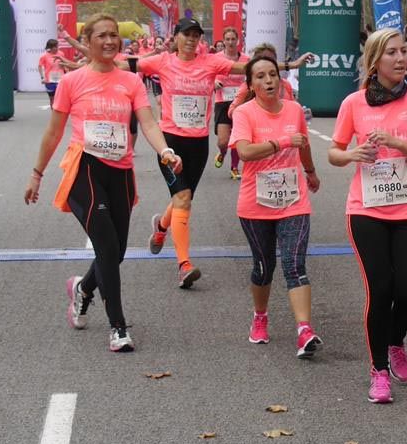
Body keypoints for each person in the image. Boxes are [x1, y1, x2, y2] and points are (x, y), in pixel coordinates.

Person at [24, 13, 182, 353]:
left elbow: (149, 123)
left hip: (120, 172)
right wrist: (37, 174)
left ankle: (83, 288)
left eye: (114, 35)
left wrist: (165, 150)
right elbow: (53, 132)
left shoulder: (131, 82)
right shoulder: (72, 82)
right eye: (102, 36)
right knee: (108, 247)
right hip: (86, 169)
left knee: (118, 251)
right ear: (88, 41)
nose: (110, 41)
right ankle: (118, 327)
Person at [329, 28, 407, 404]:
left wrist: (397, 143)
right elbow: (335, 152)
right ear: (375, 60)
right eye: (392, 53)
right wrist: (354, 155)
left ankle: (396, 340)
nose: (400, 59)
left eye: (404, 52)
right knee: (380, 290)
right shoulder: (354, 103)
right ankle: (379, 371)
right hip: (366, 211)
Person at [137, 19, 245, 288]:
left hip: (198, 144)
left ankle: (161, 227)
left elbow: (247, 68)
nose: (191, 40)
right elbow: (130, 64)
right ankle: (184, 264)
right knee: (183, 198)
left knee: (183, 198)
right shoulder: (161, 61)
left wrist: (288, 66)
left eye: (196, 35)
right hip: (170, 143)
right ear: (175, 38)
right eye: (186, 35)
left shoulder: (210, 63)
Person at [229, 55, 324, 356]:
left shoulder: (295, 110)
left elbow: (303, 143)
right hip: (255, 204)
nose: (269, 81)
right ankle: (260, 316)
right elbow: (244, 152)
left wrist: (309, 171)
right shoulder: (244, 113)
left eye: (273, 74)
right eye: (261, 76)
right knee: (264, 267)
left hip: (293, 200)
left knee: (294, 265)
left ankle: (304, 331)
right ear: (251, 84)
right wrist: (281, 143)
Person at [212, 26, 252, 179]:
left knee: (237, 137)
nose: (230, 42)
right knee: (223, 141)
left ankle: (234, 167)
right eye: (227, 39)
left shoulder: (246, 60)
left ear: (238, 41)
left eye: (233, 39)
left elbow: (251, 78)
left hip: (241, 102)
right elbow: (208, 76)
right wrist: (214, 82)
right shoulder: (216, 58)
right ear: (223, 41)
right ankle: (222, 153)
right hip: (222, 101)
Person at [38, 39, 65, 106]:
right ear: (50, 47)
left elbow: (65, 65)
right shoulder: (44, 56)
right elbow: (40, 66)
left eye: (57, 46)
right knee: (52, 99)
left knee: (59, 99)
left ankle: (59, 114)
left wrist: (67, 74)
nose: (56, 48)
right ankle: (54, 114)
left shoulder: (61, 54)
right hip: (49, 80)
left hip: (60, 79)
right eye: (55, 47)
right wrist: (42, 77)